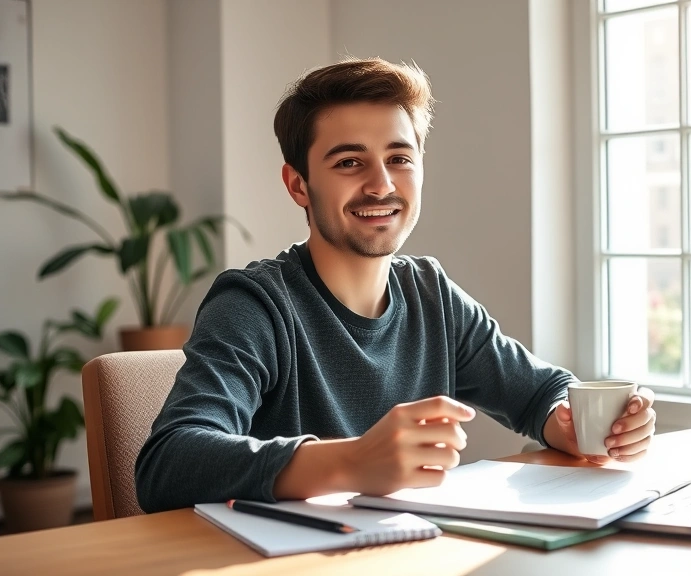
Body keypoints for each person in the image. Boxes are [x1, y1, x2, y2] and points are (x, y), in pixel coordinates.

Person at [135, 57, 657, 513]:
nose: (382, 184)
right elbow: (168, 461)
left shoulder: (431, 293)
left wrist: (566, 422)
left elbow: (542, 392)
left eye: (400, 158)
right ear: (298, 184)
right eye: (349, 162)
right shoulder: (255, 305)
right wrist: (351, 460)